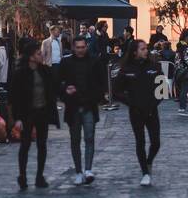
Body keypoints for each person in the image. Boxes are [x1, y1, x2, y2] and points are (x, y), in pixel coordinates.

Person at [112, 39, 162, 185]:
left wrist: (154, 103)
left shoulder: (154, 66)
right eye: (142, 49)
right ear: (135, 52)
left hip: (152, 110)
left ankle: (149, 161)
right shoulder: (127, 69)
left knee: (156, 142)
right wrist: (131, 103)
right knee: (140, 141)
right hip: (136, 112)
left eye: (146, 48)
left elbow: (162, 88)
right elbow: (116, 91)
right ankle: (145, 173)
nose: (146, 51)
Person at [10, 39, 58, 190]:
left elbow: (53, 90)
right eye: (38, 53)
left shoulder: (45, 71)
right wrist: (17, 118)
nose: (41, 55)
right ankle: (22, 176)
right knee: (25, 145)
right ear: (31, 56)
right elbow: (14, 98)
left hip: (42, 112)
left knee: (42, 145)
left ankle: (39, 176)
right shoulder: (20, 74)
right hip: (26, 114)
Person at [59, 35, 103, 185]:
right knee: (75, 139)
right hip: (73, 106)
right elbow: (58, 83)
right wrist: (66, 90)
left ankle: (88, 169)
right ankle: (79, 171)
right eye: (77, 47)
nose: (80, 50)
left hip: (89, 105)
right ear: (73, 47)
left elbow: (100, 83)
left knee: (89, 137)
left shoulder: (94, 61)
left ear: (86, 47)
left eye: (82, 47)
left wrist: (95, 97)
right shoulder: (66, 62)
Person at [40, 23, 63, 96]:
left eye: (59, 31)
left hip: (59, 64)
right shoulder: (45, 42)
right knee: (51, 83)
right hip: (50, 65)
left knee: (58, 82)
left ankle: (57, 97)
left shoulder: (59, 42)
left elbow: (60, 53)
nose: (59, 32)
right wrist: (43, 65)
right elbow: (42, 54)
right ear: (52, 32)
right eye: (57, 31)